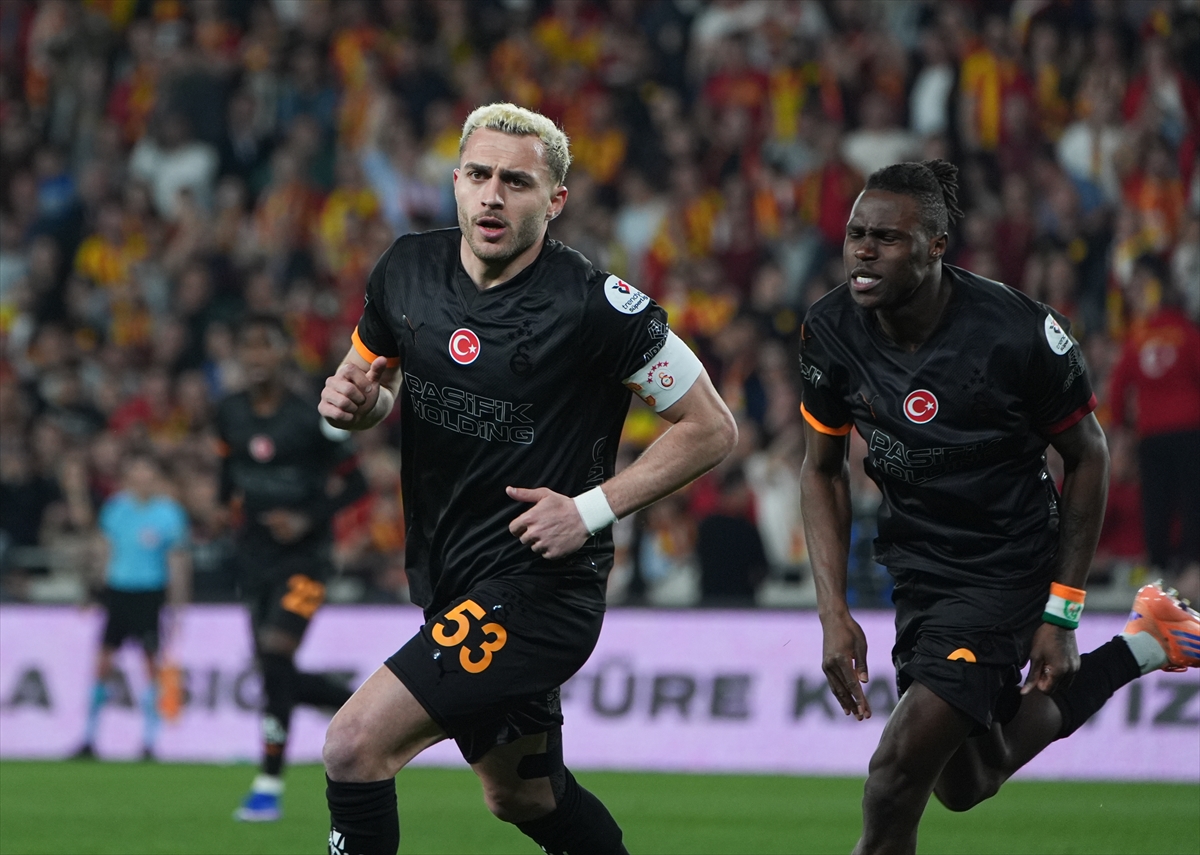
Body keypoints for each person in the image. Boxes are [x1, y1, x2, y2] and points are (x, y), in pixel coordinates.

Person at [317, 102, 736, 855]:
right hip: (450, 573)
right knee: (522, 793)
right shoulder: (405, 271)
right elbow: (370, 383)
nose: (492, 196)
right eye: (478, 175)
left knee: (353, 745)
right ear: (454, 181)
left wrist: (591, 509)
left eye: (516, 182)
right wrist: (358, 405)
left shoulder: (598, 307)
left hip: (541, 587)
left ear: (555, 200)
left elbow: (711, 427)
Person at [798, 160, 1200, 855]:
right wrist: (833, 612)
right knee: (966, 780)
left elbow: (1090, 455)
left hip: (1008, 565)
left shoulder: (1018, 331)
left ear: (935, 246)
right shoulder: (830, 329)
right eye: (856, 234)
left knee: (893, 777)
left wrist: (1061, 614)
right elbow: (821, 469)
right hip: (919, 570)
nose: (863, 251)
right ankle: (1149, 642)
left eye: (886, 238)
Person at [219, 314, 368, 822]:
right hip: (253, 558)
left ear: (284, 353)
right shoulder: (229, 412)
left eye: (266, 345)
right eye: (248, 346)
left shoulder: (310, 415)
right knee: (272, 669)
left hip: (306, 560)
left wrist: (307, 518)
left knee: (276, 650)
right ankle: (361, 705)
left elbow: (356, 483)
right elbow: (228, 473)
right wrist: (220, 510)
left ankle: (267, 783)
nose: (256, 356)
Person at [76, 450, 190, 760]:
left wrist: (178, 604)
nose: (141, 478)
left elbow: (177, 560)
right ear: (128, 478)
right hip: (118, 592)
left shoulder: (169, 513)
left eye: (147, 472)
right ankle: (88, 737)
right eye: (136, 472)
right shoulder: (116, 509)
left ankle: (150, 741)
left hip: (149, 594)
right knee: (102, 663)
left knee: (151, 665)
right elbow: (103, 551)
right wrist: (92, 591)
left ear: (155, 478)